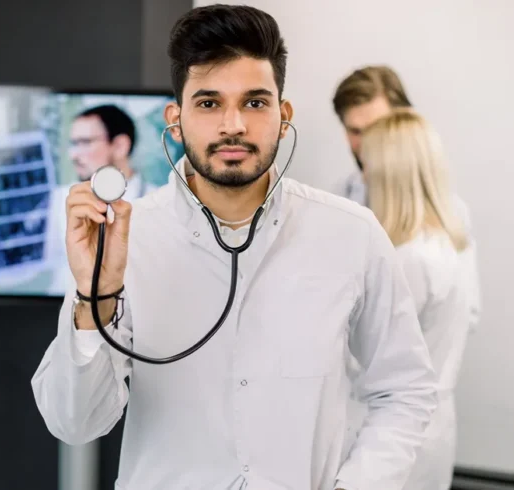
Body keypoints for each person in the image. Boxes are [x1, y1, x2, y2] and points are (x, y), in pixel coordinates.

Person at [31, 5, 438, 490]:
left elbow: (405, 390)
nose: (233, 125)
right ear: (175, 120)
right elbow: (74, 423)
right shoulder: (126, 239)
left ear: (283, 116)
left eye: (254, 102)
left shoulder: (351, 233)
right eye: (208, 103)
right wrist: (96, 296)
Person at [359, 109, 473, 490]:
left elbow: (366, 360)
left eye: (368, 166)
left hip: (401, 432)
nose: (364, 176)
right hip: (434, 427)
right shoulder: (446, 242)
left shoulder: (407, 259)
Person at [0, 104, 157, 295]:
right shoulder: (61, 201)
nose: (73, 154)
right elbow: (10, 267)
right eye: (73, 144)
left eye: (84, 142)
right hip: (76, 330)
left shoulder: (163, 203)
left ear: (120, 146)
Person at [332, 65, 481, 330]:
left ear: (404, 123)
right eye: (356, 132)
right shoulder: (338, 201)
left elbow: (466, 313)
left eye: (378, 129)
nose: (367, 145)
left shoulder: (448, 216)